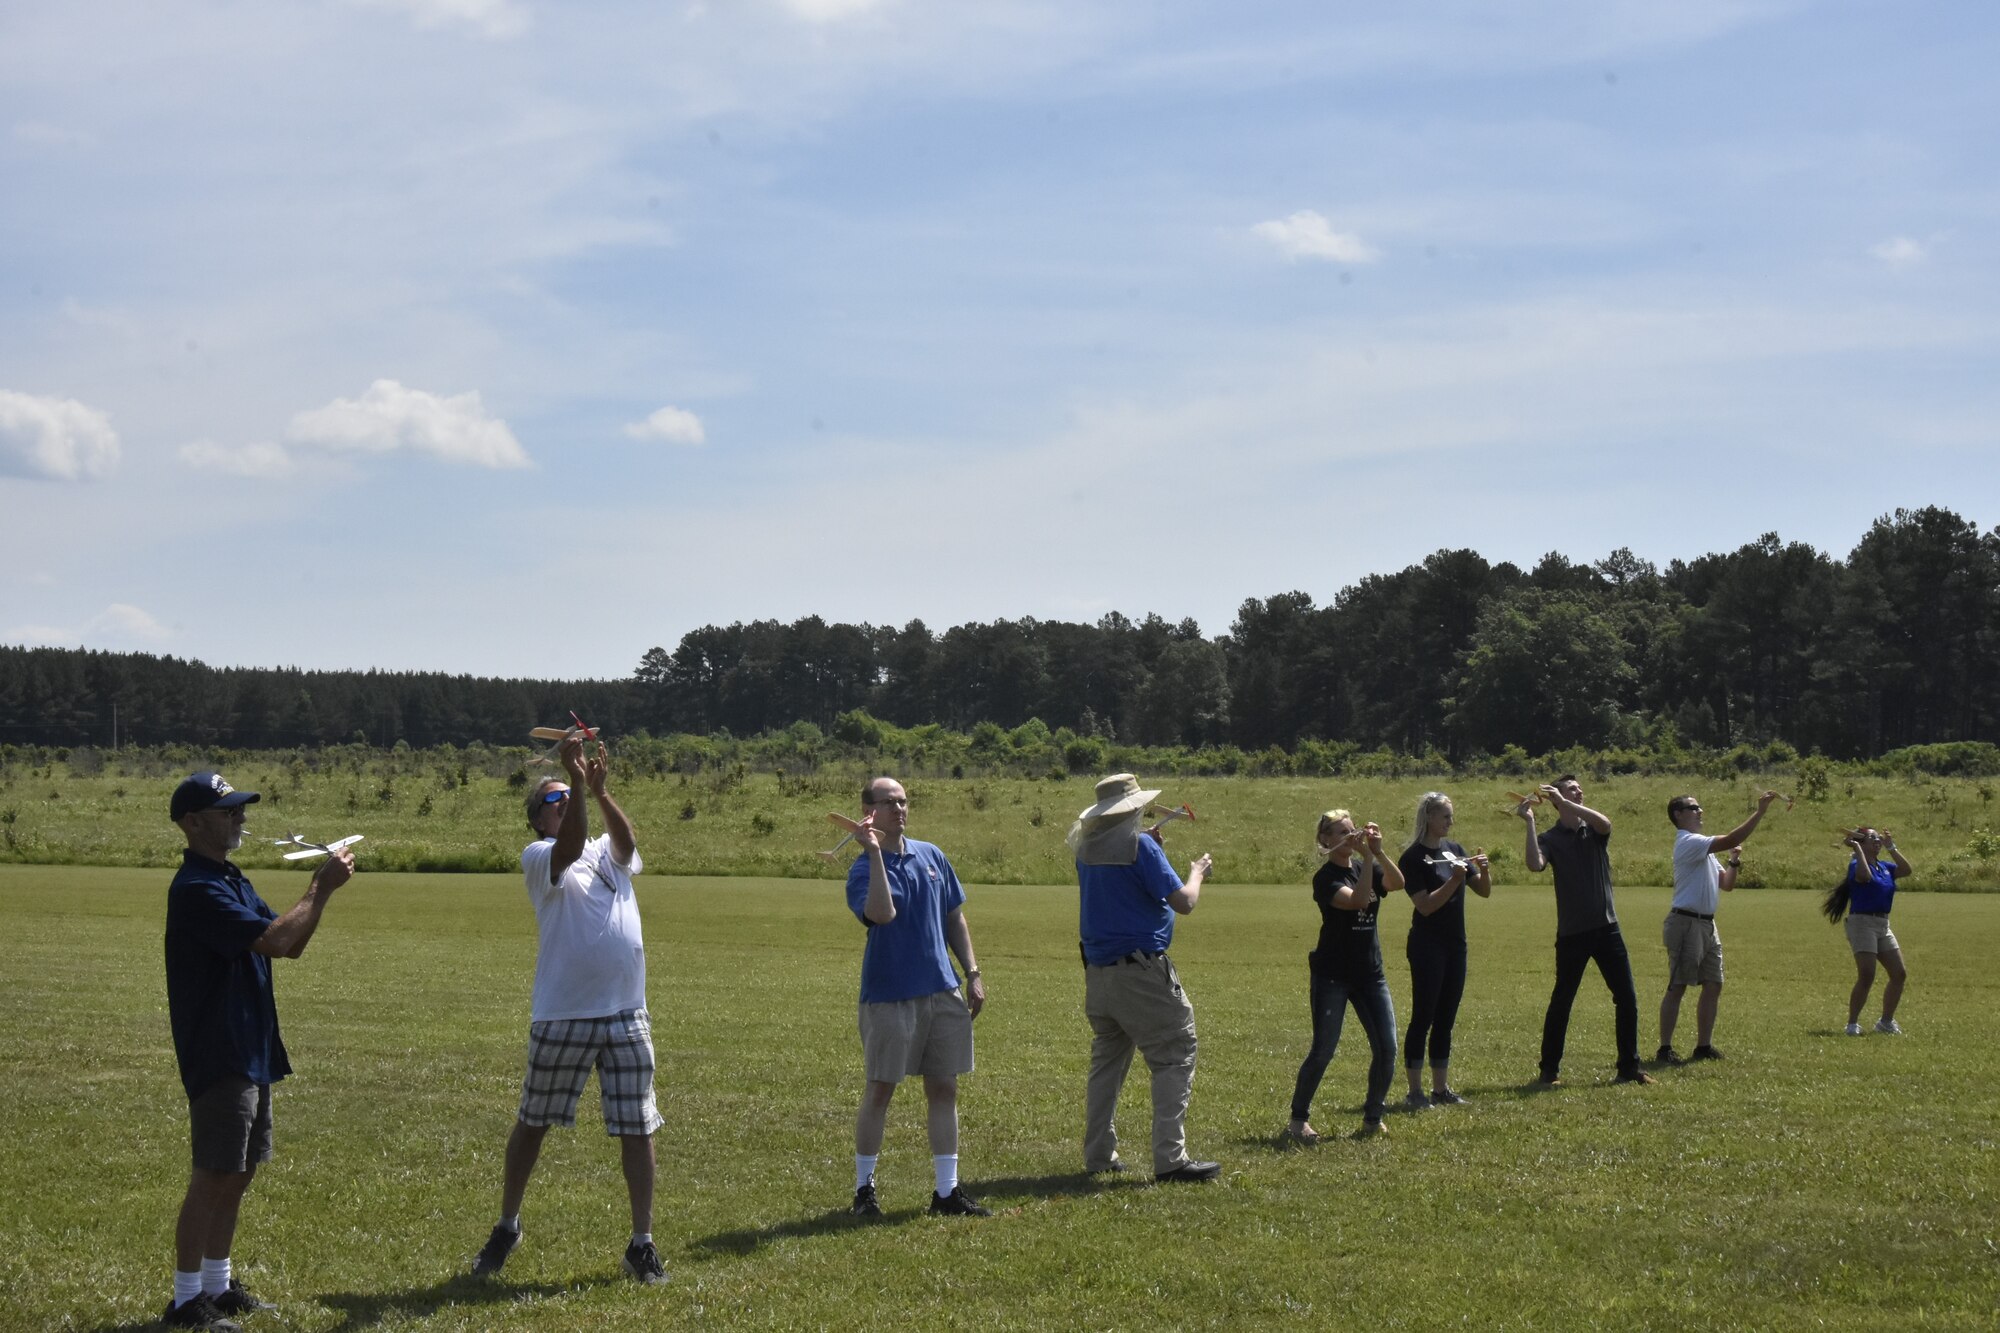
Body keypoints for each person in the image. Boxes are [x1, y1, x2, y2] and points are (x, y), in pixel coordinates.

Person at [162, 771, 355, 1331]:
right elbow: (275, 938)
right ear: (193, 823)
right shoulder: (197, 888)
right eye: (228, 811)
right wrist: (320, 887)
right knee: (213, 1172)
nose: (240, 817)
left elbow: (286, 943)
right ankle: (184, 1301)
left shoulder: (231, 879)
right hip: (220, 1051)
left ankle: (218, 1288)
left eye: (240, 808)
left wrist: (319, 897)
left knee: (241, 1170)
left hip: (251, 1044)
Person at [472, 733, 667, 1284]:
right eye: (554, 800)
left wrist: (600, 792)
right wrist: (577, 783)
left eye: (566, 797)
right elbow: (572, 844)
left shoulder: (605, 848)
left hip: (627, 1012)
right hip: (563, 1014)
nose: (563, 803)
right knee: (533, 1122)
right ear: (539, 819)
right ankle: (507, 1225)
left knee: (638, 1126)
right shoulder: (540, 856)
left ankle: (641, 1243)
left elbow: (625, 845)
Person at [844, 776, 990, 1219]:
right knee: (881, 1090)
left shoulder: (932, 856)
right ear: (869, 810)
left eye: (904, 802)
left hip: (941, 989)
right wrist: (873, 852)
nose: (900, 809)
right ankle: (864, 1191)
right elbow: (882, 914)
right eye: (889, 803)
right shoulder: (862, 869)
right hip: (889, 995)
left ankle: (946, 1193)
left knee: (944, 1088)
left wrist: (973, 973)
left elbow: (954, 918)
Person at [1073, 773, 1219, 1182]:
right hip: (1141, 972)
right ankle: (1171, 1159)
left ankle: (1098, 1154)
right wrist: (1197, 871)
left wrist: (1149, 847)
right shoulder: (1141, 849)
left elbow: (1118, 879)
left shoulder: (1086, 849)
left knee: (1107, 1065)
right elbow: (1184, 903)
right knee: (1175, 1053)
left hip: (1099, 974)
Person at [1521, 777, 1653, 1087]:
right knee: (1562, 1001)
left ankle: (1629, 1068)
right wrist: (1528, 822)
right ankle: (1549, 1072)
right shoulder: (1549, 838)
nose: (1579, 791)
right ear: (1556, 799)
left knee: (1627, 998)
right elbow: (1534, 864)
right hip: (1572, 934)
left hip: (1608, 928)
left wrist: (1568, 803)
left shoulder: (1592, 830)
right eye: (1571, 789)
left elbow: (1606, 823)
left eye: (1580, 788)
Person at [1288, 810, 1403, 1143]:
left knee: (1387, 1048)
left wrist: (1377, 852)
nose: (1350, 836)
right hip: (1332, 975)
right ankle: (1298, 1120)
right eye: (1341, 832)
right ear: (1325, 840)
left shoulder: (1365, 864)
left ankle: (1372, 1117)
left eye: (1353, 830)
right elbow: (1358, 902)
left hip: (1370, 974)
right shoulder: (1325, 879)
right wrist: (1367, 859)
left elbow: (1397, 884)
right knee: (1324, 1049)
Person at [1657, 789, 1782, 1065]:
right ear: (1678, 815)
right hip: (1685, 922)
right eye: (1693, 808)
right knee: (1678, 986)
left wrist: (1734, 861)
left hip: (1707, 925)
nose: (1700, 811)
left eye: (1699, 807)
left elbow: (1726, 884)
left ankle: (1703, 1046)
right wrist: (1759, 812)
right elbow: (1732, 838)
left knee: (1713, 984)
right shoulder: (1688, 841)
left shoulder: (1703, 849)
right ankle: (1664, 1049)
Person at [1396, 791, 1489, 1110]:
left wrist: (1483, 870)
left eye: (1451, 816)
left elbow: (1484, 892)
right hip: (1427, 946)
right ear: (1429, 818)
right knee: (1424, 1015)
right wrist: (1455, 880)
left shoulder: (1455, 851)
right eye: (1445, 816)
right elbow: (1425, 906)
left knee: (1446, 1018)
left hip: (1455, 945)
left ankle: (1440, 1089)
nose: (1451, 821)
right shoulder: (1413, 858)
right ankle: (1414, 1092)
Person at [1823, 827, 1912, 1036]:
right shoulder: (1856, 864)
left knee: (1899, 974)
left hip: (1882, 924)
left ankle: (1886, 1022)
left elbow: (1906, 869)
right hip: (1862, 923)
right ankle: (1852, 1024)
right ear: (1861, 844)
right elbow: (1864, 876)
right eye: (1872, 838)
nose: (1877, 841)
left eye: (1878, 838)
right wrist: (1856, 850)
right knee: (1867, 974)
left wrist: (1891, 846)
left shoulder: (1885, 867)